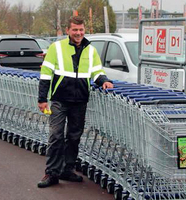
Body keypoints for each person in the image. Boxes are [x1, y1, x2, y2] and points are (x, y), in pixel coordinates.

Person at [37, 16, 114, 188]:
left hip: (80, 100)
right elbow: (45, 74)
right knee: (56, 136)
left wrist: (104, 81)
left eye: (81, 30)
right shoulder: (56, 48)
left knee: (74, 137)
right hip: (59, 100)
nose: (78, 33)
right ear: (68, 31)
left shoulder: (90, 50)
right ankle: (51, 173)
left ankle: (67, 169)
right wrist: (42, 99)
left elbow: (96, 72)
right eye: (75, 30)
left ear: (84, 30)